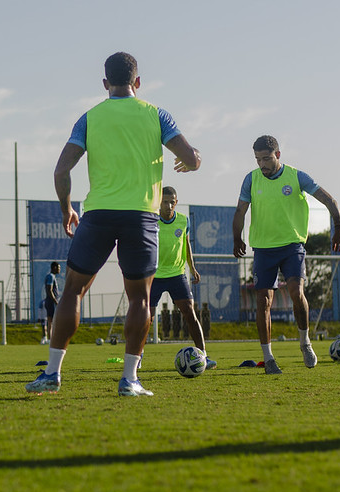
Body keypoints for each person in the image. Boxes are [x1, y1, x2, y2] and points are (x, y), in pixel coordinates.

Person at [25, 51, 201, 396]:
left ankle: (51, 374)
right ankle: (129, 379)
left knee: (72, 291)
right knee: (139, 298)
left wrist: (66, 210)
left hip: (98, 215)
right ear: (138, 82)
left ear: (105, 84)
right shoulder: (157, 114)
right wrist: (191, 163)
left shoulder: (89, 118)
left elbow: (61, 170)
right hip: (141, 217)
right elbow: (192, 158)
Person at [232, 135, 340, 375]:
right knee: (263, 301)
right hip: (263, 248)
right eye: (257, 159)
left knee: (296, 292)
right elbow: (240, 211)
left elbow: (329, 199)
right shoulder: (251, 180)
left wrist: (339, 227)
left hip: (292, 245)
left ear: (278, 155)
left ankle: (305, 342)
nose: (261, 164)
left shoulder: (296, 176)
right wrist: (237, 237)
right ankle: (269, 358)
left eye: (266, 158)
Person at [149, 186, 217, 370]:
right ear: (158, 202)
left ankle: (203, 356)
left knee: (190, 314)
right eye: (165, 201)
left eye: (172, 201)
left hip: (177, 275)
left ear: (176, 202)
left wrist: (192, 267)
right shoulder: (151, 220)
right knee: (146, 317)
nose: (169, 205)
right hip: (154, 275)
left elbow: (186, 245)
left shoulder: (183, 221)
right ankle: (137, 356)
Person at [42, 261, 61, 344]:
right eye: (59, 268)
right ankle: (50, 339)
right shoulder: (51, 276)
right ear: (54, 268)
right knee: (51, 321)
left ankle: (50, 339)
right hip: (51, 301)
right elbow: (49, 290)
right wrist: (55, 301)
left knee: (51, 320)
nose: (59, 269)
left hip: (50, 301)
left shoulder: (52, 276)